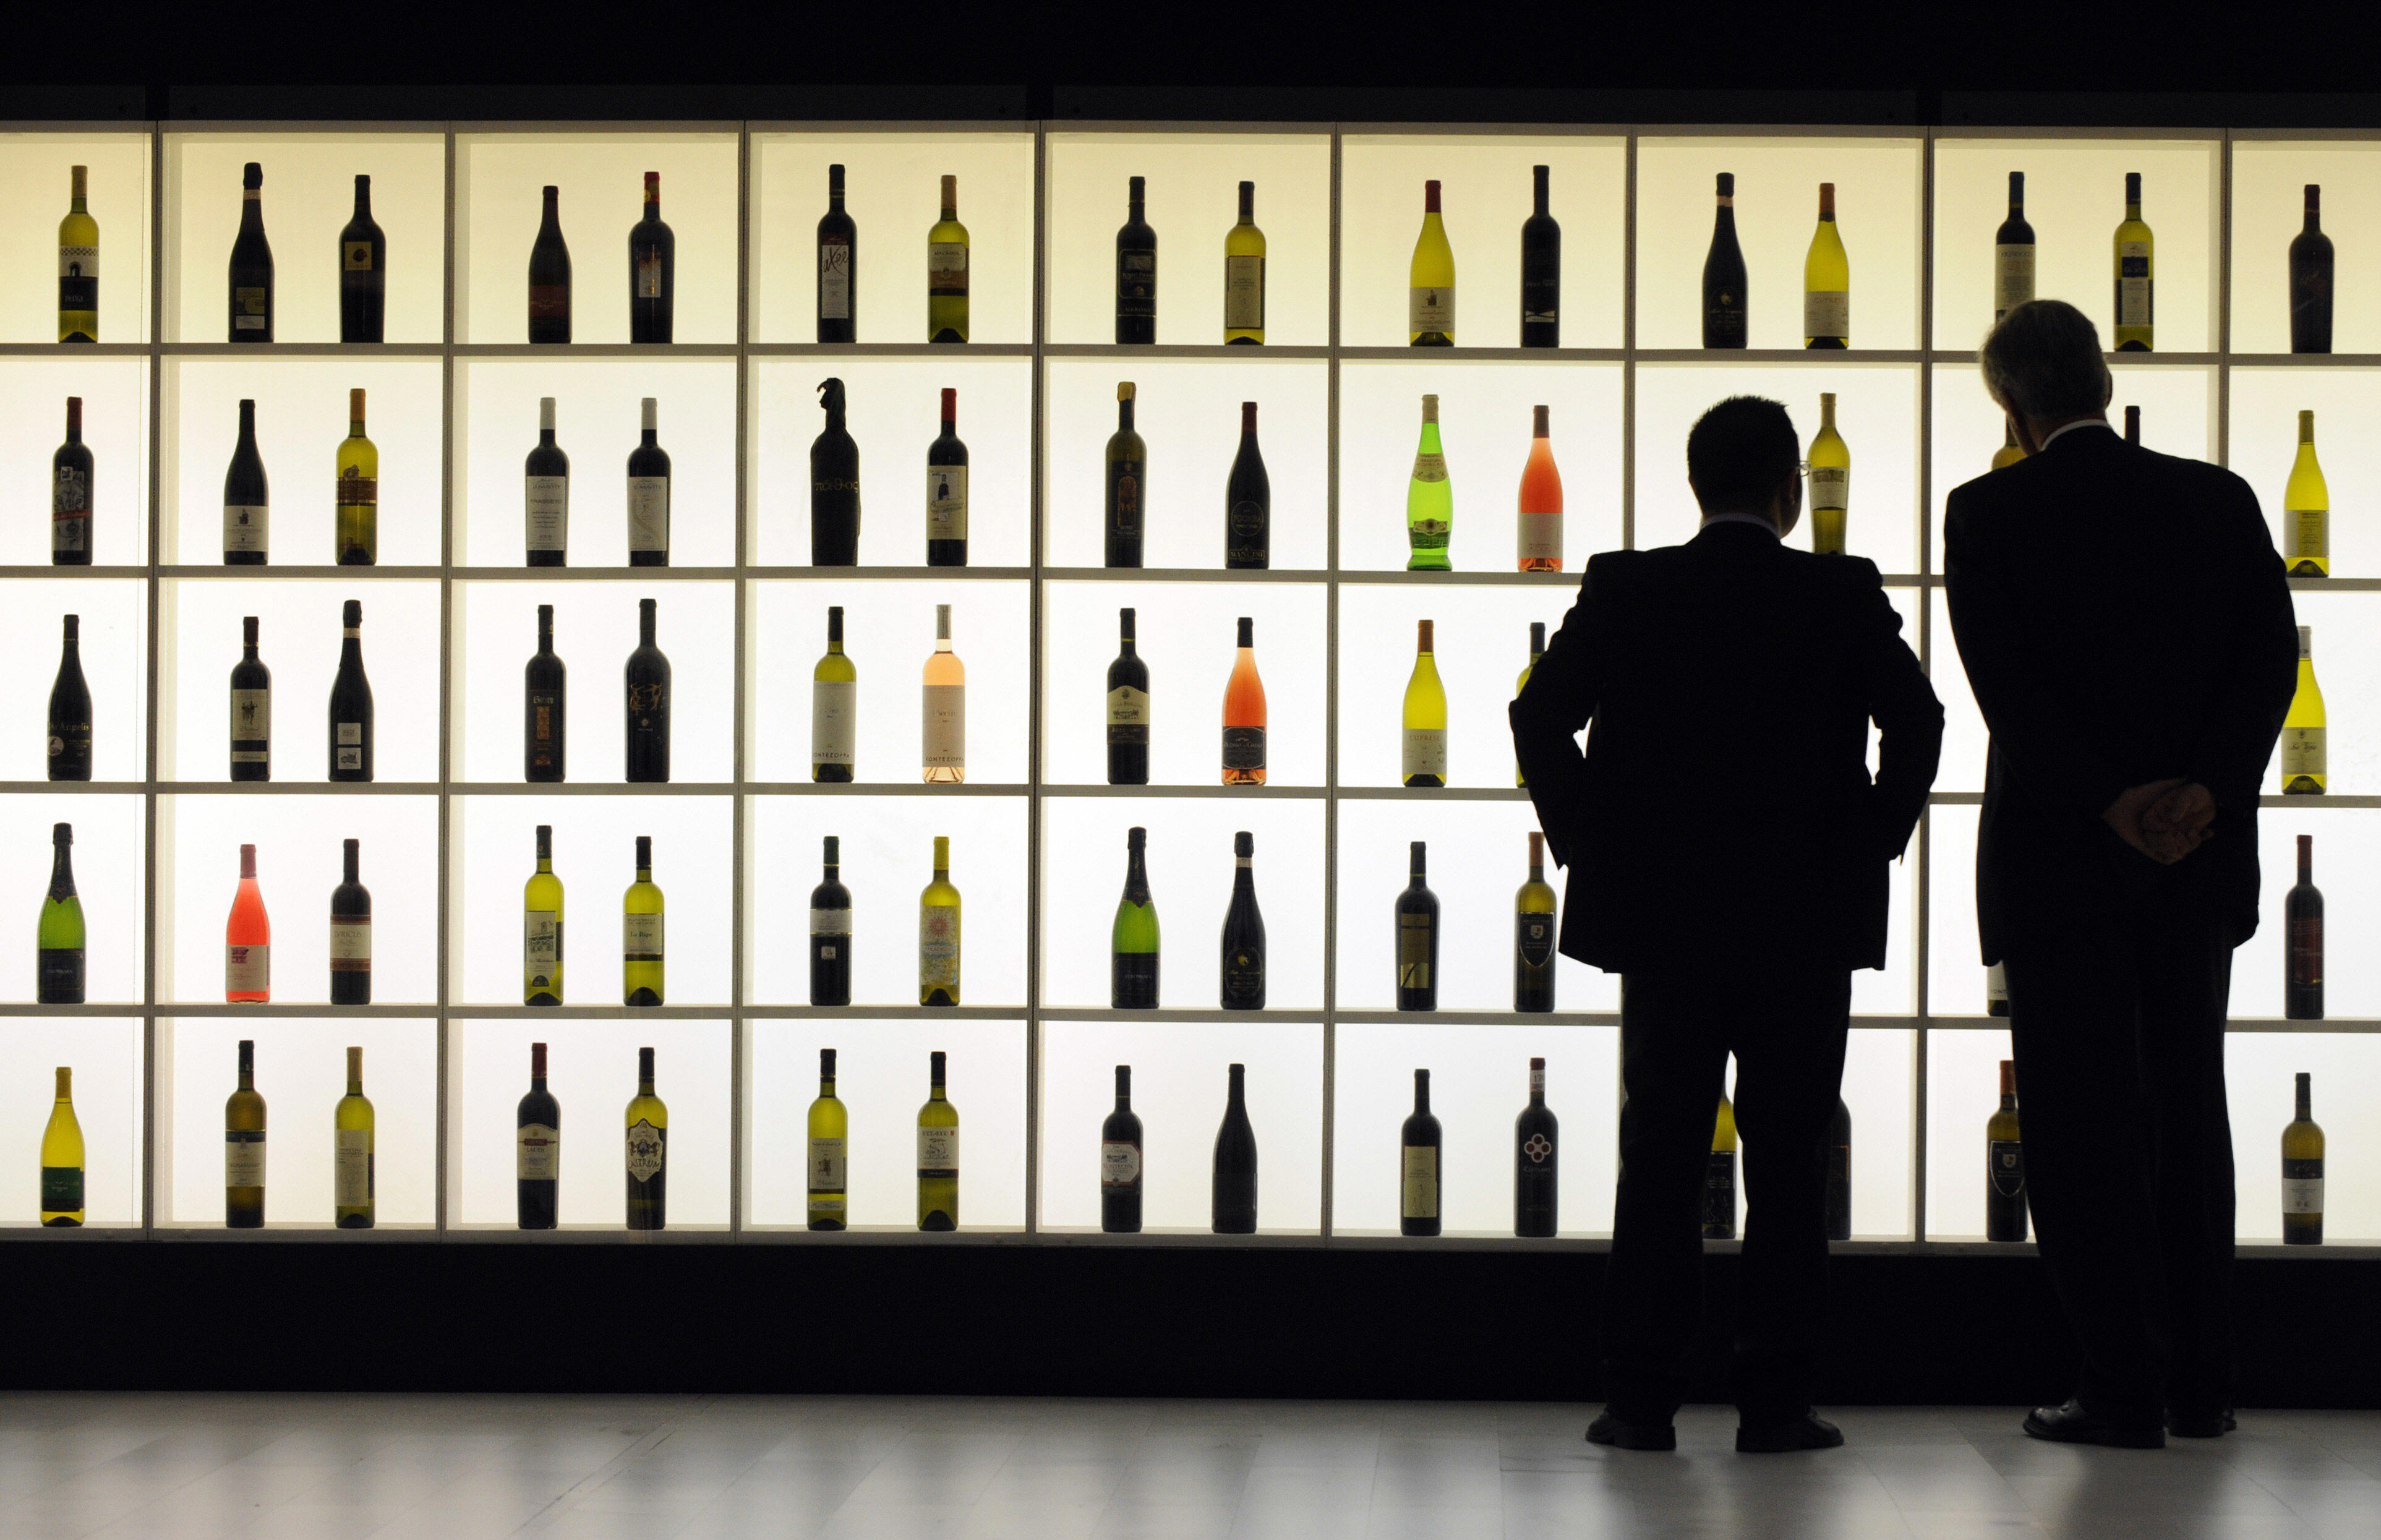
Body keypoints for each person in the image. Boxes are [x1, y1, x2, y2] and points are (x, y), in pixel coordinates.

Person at [1511, 395, 1941, 1453]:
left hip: (1665, 922)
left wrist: (1586, 845)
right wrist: (1871, 841)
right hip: (1802, 922)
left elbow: (1536, 714)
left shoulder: (1628, 585)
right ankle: (1775, 1401)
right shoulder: (1839, 591)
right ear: (1789, 489)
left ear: (1695, 486)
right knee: (1787, 1157)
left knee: (1658, 1151)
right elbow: (1919, 720)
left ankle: (1639, 1397)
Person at [1944, 299, 2297, 1449]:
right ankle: (2204, 1381)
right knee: (2189, 1112)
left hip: (2063, 860)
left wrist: (2107, 801)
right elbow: (2268, 660)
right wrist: (2205, 789)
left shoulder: (1988, 512)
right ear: (2101, 378)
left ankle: (2120, 1384)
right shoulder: (2217, 498)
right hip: (2196, 860)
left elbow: (2010, 694)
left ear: (2012, 403)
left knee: (2080, 1123)